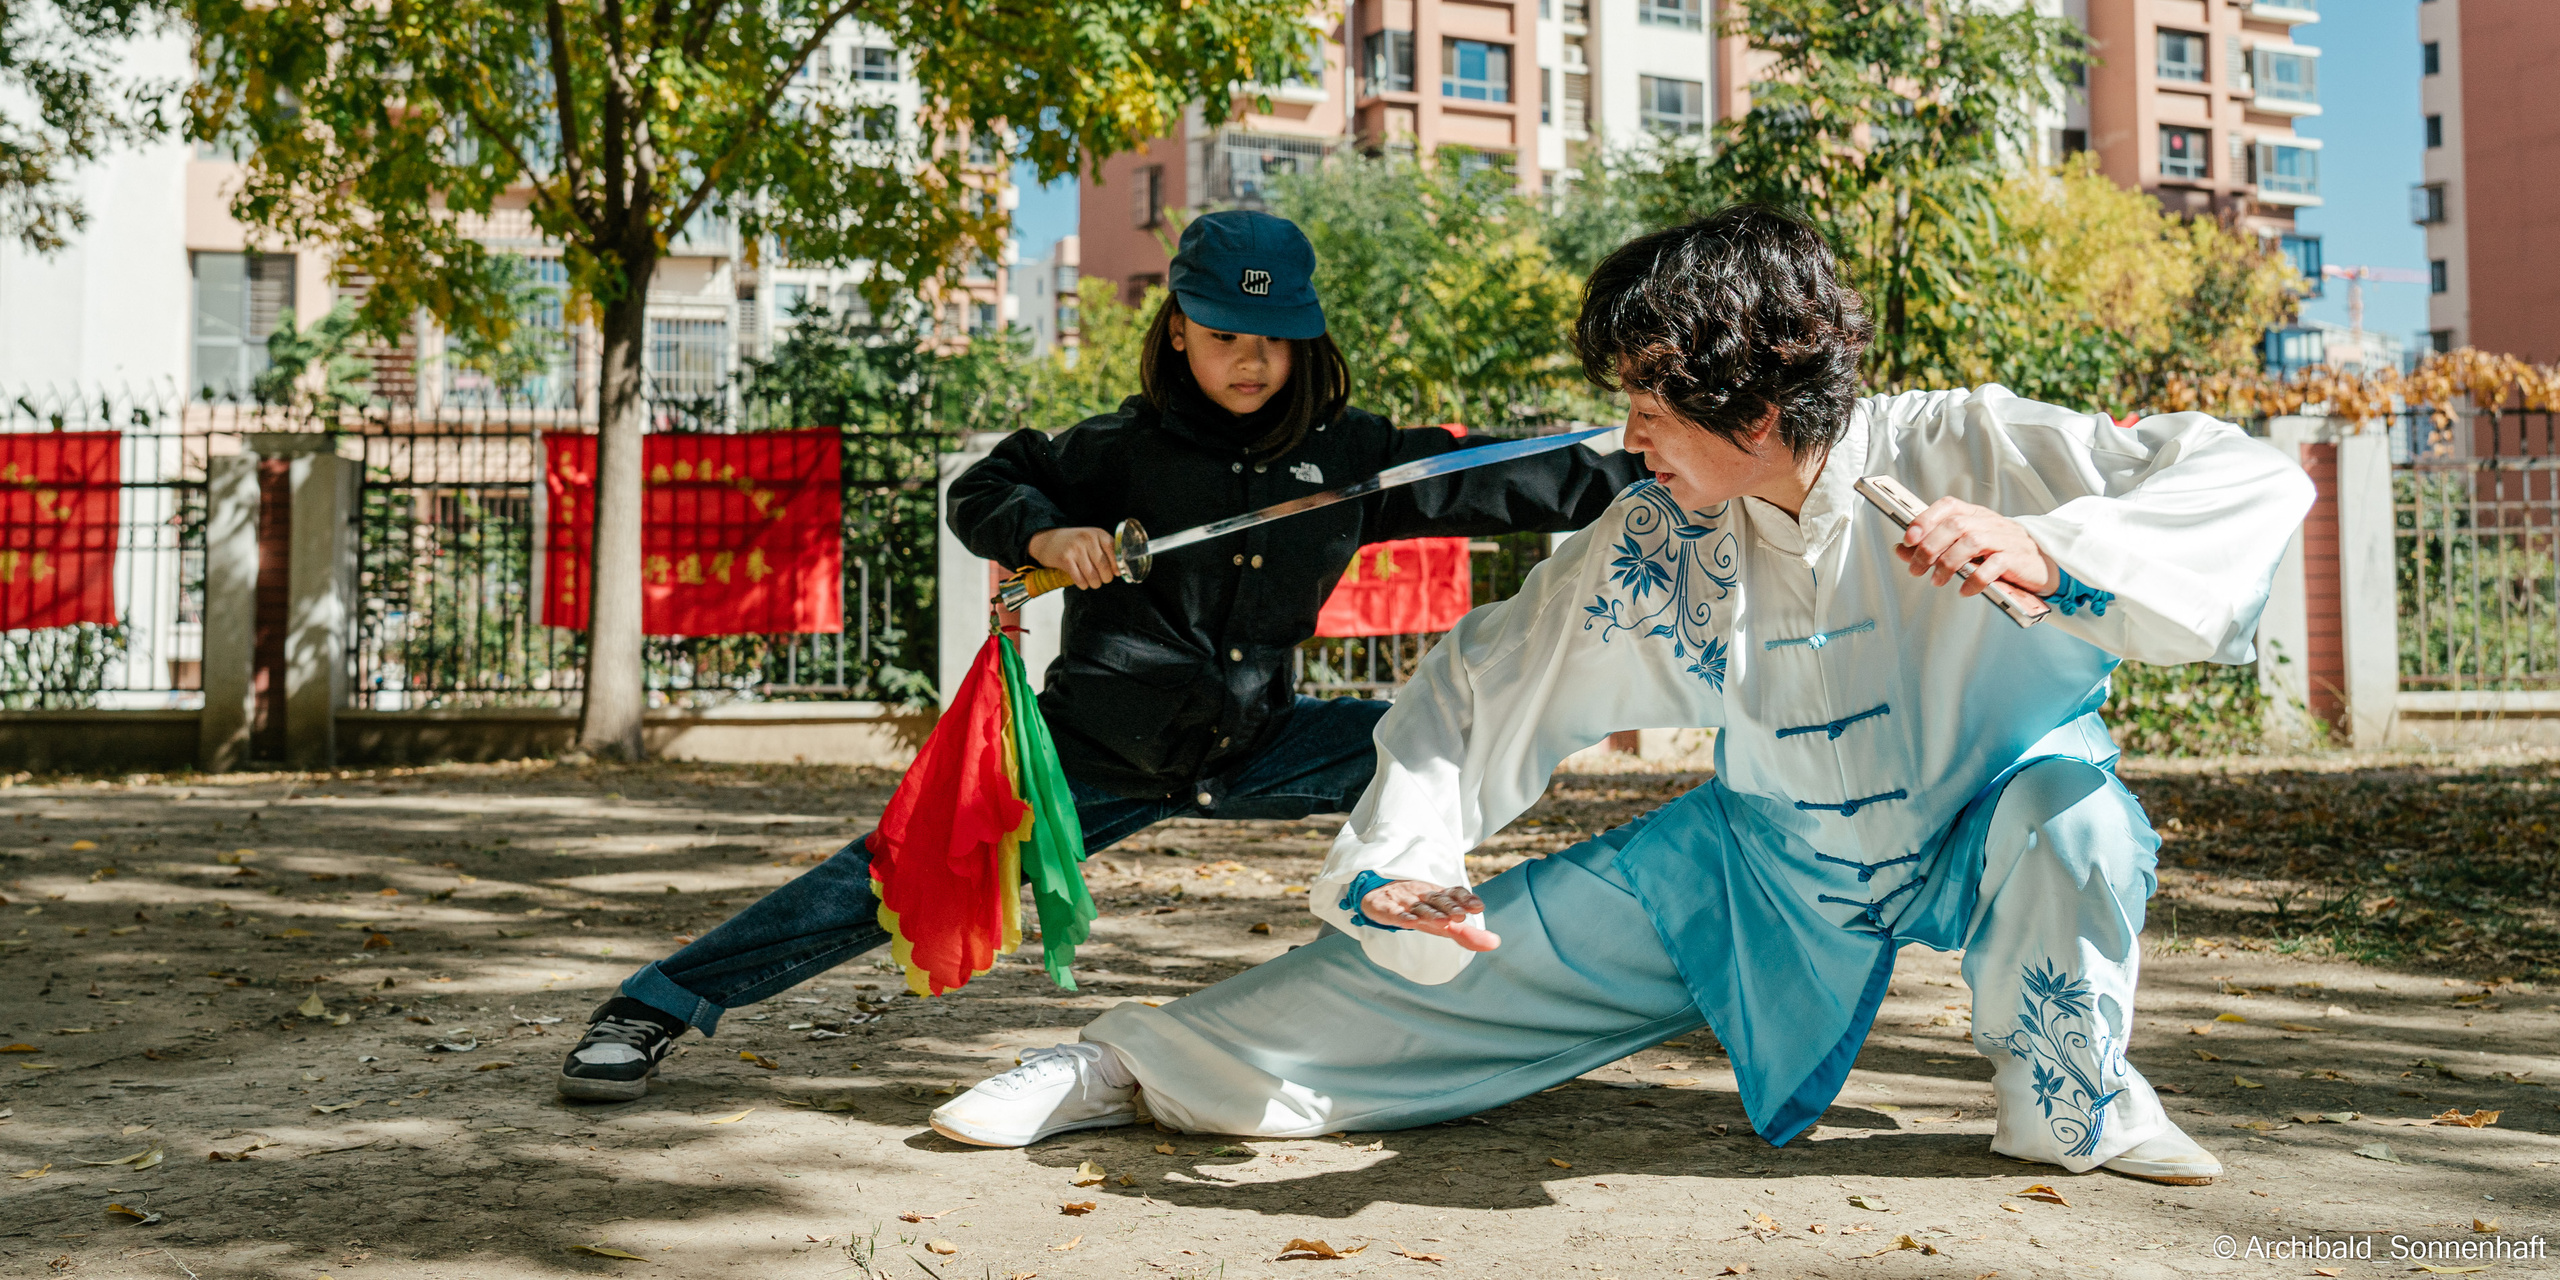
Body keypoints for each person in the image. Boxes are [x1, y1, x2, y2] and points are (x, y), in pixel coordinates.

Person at [926, 205, 2314, 1186]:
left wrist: (2053, 552)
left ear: (1751, 394)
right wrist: (1404, 859)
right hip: (1757, 861)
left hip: (1986, 819)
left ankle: (2071, 1096)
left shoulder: (1969, 445)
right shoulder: (1659, 533)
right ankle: (1129, 1067)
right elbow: (1486, 680)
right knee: (1449, 967)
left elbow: (2241, 475)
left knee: (2078, 819)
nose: (1628, 433)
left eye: (1651, 399)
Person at [556, 210, 1649, 1101]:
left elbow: (1517, 479)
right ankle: (652, 1005)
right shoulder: (1115, 451)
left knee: (1445, 739)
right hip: (1090, 759)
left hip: (1263, 741)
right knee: (886, 873)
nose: (1253, 360)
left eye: (1274, 338)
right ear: (1177, 331)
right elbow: (983, 486)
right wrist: (1043, 534)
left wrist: (1673, 455)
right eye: (1225, 334)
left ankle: (1473, 971)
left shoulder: (1350, 458)